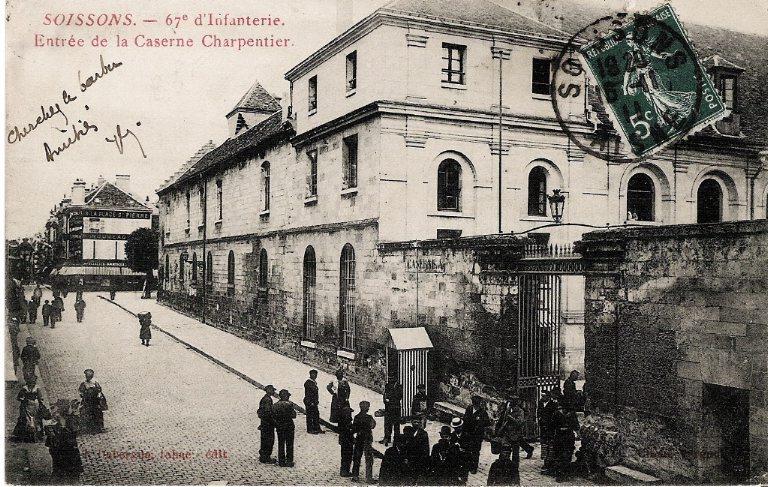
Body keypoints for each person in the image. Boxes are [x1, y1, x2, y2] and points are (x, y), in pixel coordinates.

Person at [45, 410, 84, 480]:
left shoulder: (71, 418)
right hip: (61, 446)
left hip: (68, 445)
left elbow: (75, 431)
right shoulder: (56, 420)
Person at [462, 395, 491, 474]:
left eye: (477, 403)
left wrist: (480, 422)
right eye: (474, 403)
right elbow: (465, 419)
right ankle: (468, 465)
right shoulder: (469, 409)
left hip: (477, 435)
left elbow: (487, 423)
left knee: (475, 451)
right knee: (468, 450)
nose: (475, 405)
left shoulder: (482, 412)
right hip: (468, 433)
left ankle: (474, 467)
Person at [13, 376, 45, 442]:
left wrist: (40, 402)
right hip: (27, 405)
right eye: (31, 382)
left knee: (35, 419)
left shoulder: (37, 388)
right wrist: (23, 399)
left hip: (35, 405)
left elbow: (40, 397)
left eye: (33, 382)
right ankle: (25, 434)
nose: (32, 383)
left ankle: (37, 434)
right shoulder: (25, 388)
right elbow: (19, 397)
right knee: (26, 419)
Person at [351, 400, 376, 483]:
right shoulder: (369, 417)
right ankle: (369, 478)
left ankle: (355, 476)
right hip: (367, 440)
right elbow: (373, 426)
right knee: (369, 459)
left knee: (357, 458)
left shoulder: (356, 417)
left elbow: (354, 429)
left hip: (359, 439)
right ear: (367, 408)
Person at [273, 389, 296, 467]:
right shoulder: (290, 404)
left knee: (281, 443)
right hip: (289, 426)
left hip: (280, 427)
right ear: (286, 396)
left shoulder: (275, 405)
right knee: (289, 444)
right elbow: (294, 415)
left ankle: (281, 461)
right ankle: (289, 461)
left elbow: (273, 416)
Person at [405, 417, 431, 484]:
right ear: (411, 422)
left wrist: (425, 459)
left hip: (419, 457)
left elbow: (426, 448)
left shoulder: (424, 434)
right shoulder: (408, 431)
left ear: (420, 423)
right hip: (410, 457)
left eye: (418, 422)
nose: (416, 424)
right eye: (414, 422)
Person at [78, 369, 105, 433]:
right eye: (87, 376)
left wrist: (99, 396)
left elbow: (99, 391)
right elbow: (80, 391)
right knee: (87, 413)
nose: (88, 378)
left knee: (97, 413)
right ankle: (88, 427)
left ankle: (98, 427)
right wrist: (83, 394)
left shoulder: (95, 383)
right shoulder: (84, 383)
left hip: (95, 401)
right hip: (87, 401)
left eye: (89, 376)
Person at [538, 390, 558, 474]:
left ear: (548, 397)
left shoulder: (553, 405)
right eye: (541, 396)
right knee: (544, 445)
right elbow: (538, 413)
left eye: (543, 396)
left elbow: (554, 417)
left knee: (550, 445)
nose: (542, 397)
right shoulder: (540, 403)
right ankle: (545, 462)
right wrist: (539, 419)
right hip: (543, 428)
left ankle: (549, 462)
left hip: (550, 428)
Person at [449, 418, 472, 485]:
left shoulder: (466, 435)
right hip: (455, 459)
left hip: (464, 459)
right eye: (455, 428)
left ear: (461, 427)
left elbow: (470, 447)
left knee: (463, 477)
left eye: (458, 427)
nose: (457, 429)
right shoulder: (453, 435)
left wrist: (462, 448)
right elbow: (451, 446)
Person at [258, 385, 277, 464]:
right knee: (269, 440)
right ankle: (266, 457)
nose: (273, 392)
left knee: (264, 439)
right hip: (268, 424)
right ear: (268, 390)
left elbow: (259, 411)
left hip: (264, 422)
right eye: (272, 390)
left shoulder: (265, 398)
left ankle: (263, 455)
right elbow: (268, 412)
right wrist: (274, 422)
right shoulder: (268, 400)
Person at [381, 378, 403, 446]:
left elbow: (399, 396)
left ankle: (396, 440)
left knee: (396, 425)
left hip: (396, 408)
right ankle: (387, 438)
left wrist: (390, 399)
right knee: (388, 424)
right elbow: (385, 395)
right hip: (388, 408)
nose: (390, 379)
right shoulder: (387, 385)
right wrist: (385, 401)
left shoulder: (399, 386)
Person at [303, 370, 323, 434]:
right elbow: (308, 394)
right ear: (310, 375)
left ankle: (316, 428)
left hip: (314, 402)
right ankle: (310, 429)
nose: (315, 376)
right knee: (310, 416)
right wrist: (311, 402)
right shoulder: (308, 383)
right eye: (313, 374)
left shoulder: (313, 382)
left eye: (316, 374)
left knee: (316, 415)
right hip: (310, 402)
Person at [338, 402, 355, 477]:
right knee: (347, 456)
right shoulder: (346, 422)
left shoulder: (342, 421)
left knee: (345, 456)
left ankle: (344, 470)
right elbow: (349, 431)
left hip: (344, 440)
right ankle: (345, 471)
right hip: (347, 440)